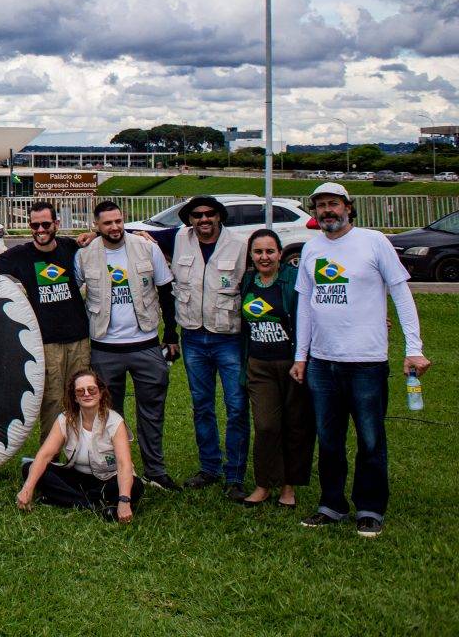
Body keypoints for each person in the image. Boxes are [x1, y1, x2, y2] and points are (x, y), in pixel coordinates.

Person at [292, 182, 430, 538]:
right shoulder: (311, 248)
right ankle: (331, 504)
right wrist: (301, 356)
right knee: (329, 439)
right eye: (321, 205)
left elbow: (400, 294)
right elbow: (305, 305)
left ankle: (370, 509)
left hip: (366, 361)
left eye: (333, 204)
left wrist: (413, 347)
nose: (327, 211)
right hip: (322, 363)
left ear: (348, 207)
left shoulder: (374, 241)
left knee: (370, 439)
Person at [0, 200, 88, 440]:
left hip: (79, 339)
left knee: (82, 395)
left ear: (56, 224)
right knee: (53, 400)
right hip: (47, 341)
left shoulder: (69, 246)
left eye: (46, 224)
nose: (40, 230)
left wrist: (95, 235)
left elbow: (98, 240)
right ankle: (51, 453)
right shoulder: (21, 254)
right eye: (35, 225)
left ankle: (81, 450)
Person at [141, 195, 250, 499]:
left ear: (219, 216)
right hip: (193, 338)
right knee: (202, 406)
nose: (203, 219)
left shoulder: (239, 245)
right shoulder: (178, 238)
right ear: (189, 219)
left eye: (209, 214)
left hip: (228, 337)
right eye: (197, 215)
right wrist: (91, 235)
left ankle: (235, 475)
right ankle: (209, 467)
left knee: (236, 407)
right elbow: (135, 232)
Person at [74, 200, 180, 490]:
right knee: (107, 414)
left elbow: (166, 292)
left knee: (152, 412)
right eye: (107, 223)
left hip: (145, 343)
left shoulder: (147, 248)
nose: (115, 227)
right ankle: (113, 471)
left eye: (118, 221)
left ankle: (155, 471)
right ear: (96, 226)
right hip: (105, 347)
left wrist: (171, 334)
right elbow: (73, 293)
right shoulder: (84, 255)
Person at [238, 228, 314, 508]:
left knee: (294, 425)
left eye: (270, 251)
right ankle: (263, 484)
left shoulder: (293, 279)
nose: (264, 257)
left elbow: (316, 309)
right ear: (251, 255)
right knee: (266, 426)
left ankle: (288, 487)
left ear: (280, 254)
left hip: (292, 365)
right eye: (258, 252)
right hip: (258, 365)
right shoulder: (247, 281)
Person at [16, 369, 140, 521]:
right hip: (77, 476)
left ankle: (61, 498)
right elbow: (45, 455)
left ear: (100, 393)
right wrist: (27, 488)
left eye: (92, 389)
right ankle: (92, 504)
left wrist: (124, 500)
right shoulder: (65, 419)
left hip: (108, 478)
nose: (86, 394)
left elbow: (123, 464)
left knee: (136, 486)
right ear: (75, 397)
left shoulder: (115, 422)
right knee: (29, 468)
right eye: (80, 391)